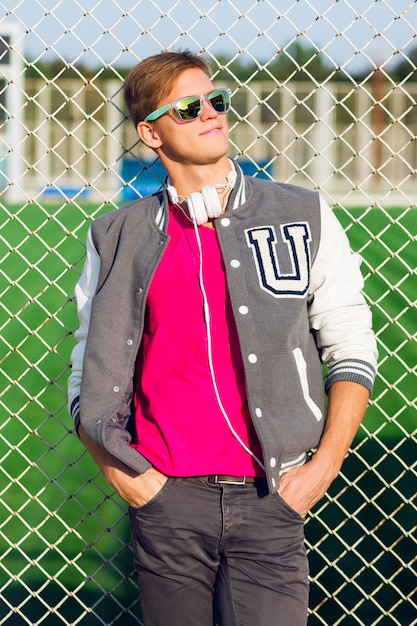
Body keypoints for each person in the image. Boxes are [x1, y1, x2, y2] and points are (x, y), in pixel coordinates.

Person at [68, 50, 377, 626]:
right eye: (189, 107)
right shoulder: (116, 235)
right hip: (164, 500)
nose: (212, 113)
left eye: (217, 100)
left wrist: (321, 469)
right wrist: (130, 480)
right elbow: (88, 363)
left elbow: (351, 343)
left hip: (273, 493)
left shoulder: (302, 213)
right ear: (150, 132)